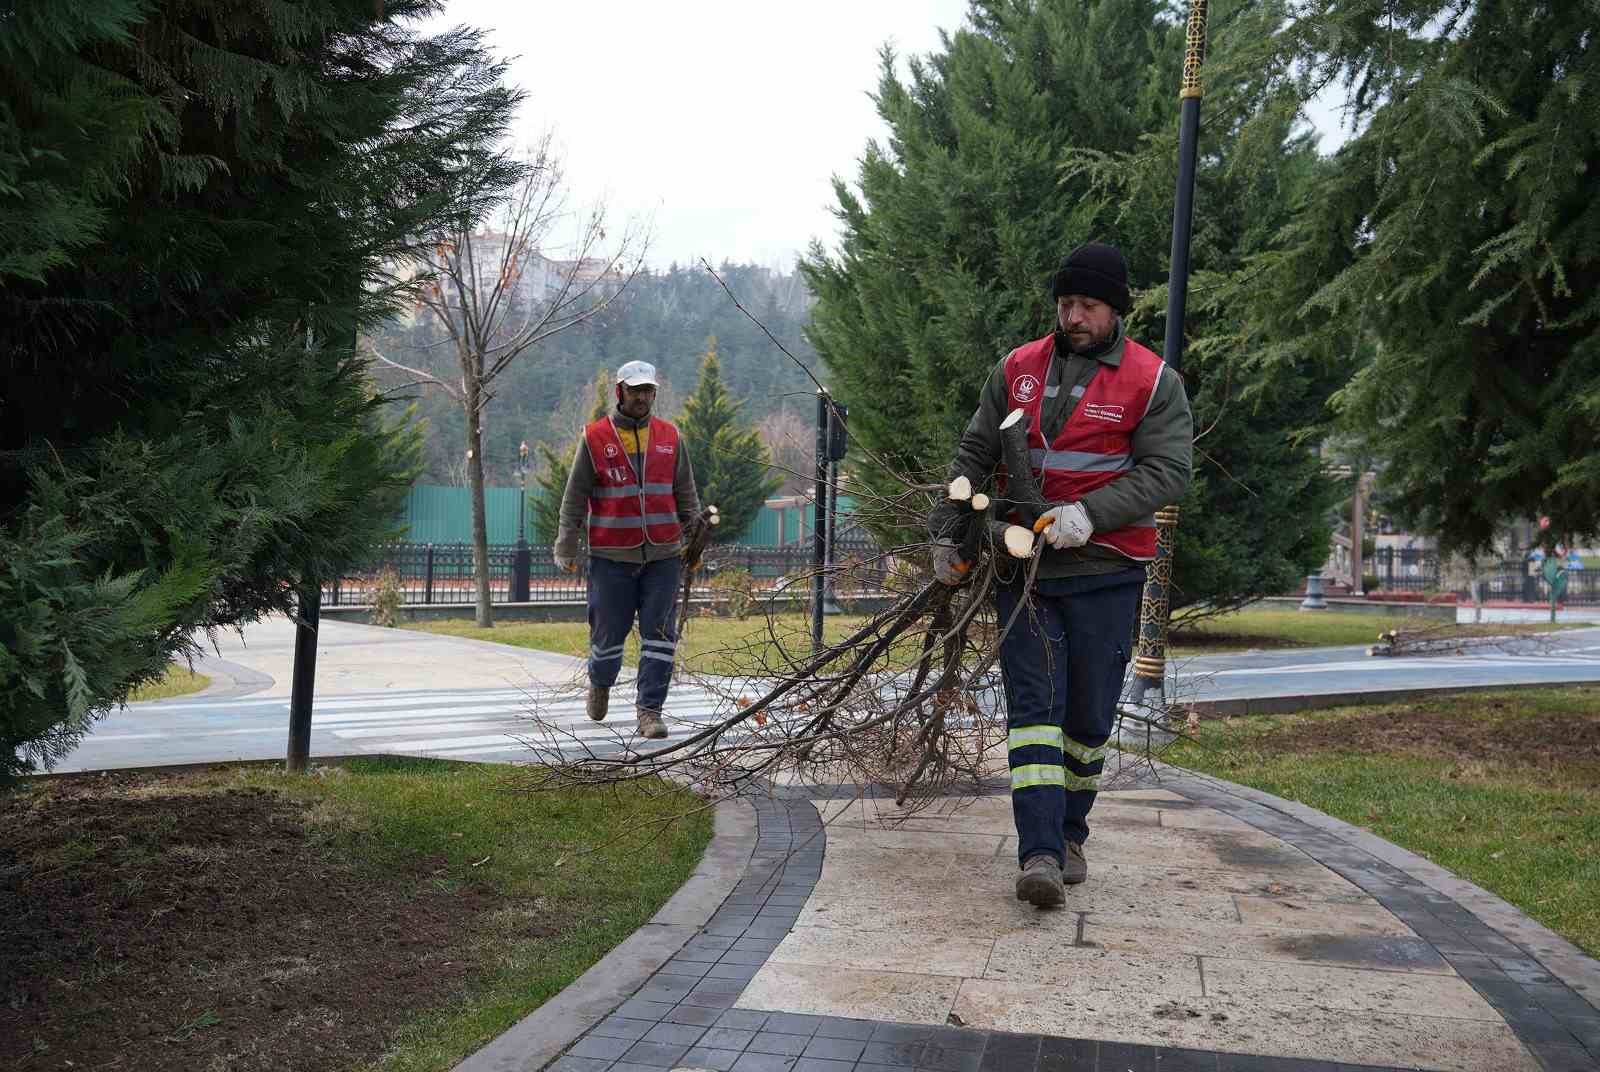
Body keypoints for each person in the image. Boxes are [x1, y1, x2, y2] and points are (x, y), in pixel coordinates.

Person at [929, 242, 1192, 908]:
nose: (1074, 316)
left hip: (1107, 569)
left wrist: (1089, 515)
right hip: (1028, 573)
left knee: (1086, 719)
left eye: (1088, 306)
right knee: (1035, 714)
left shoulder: (1152, 380)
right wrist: (946, 532)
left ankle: (1071, 832)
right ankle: (1039, 852)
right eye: (1066, 303)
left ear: (1115, 310)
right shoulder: (1018, 367)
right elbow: (974, 451)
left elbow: (1168, 473)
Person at [554, 360, 700, 740]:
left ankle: (650, 711)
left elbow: (686, 492)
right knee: (607, 635)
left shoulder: (671, 436)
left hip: (663, 555)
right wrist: (567, 541)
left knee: (661, 636)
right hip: (611, 556)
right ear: (620, 391)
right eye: (635, 390)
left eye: (648, 390)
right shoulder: (595, 437)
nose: (642, 397)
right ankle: (600, 682)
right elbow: (575, 497)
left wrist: (695, 532)